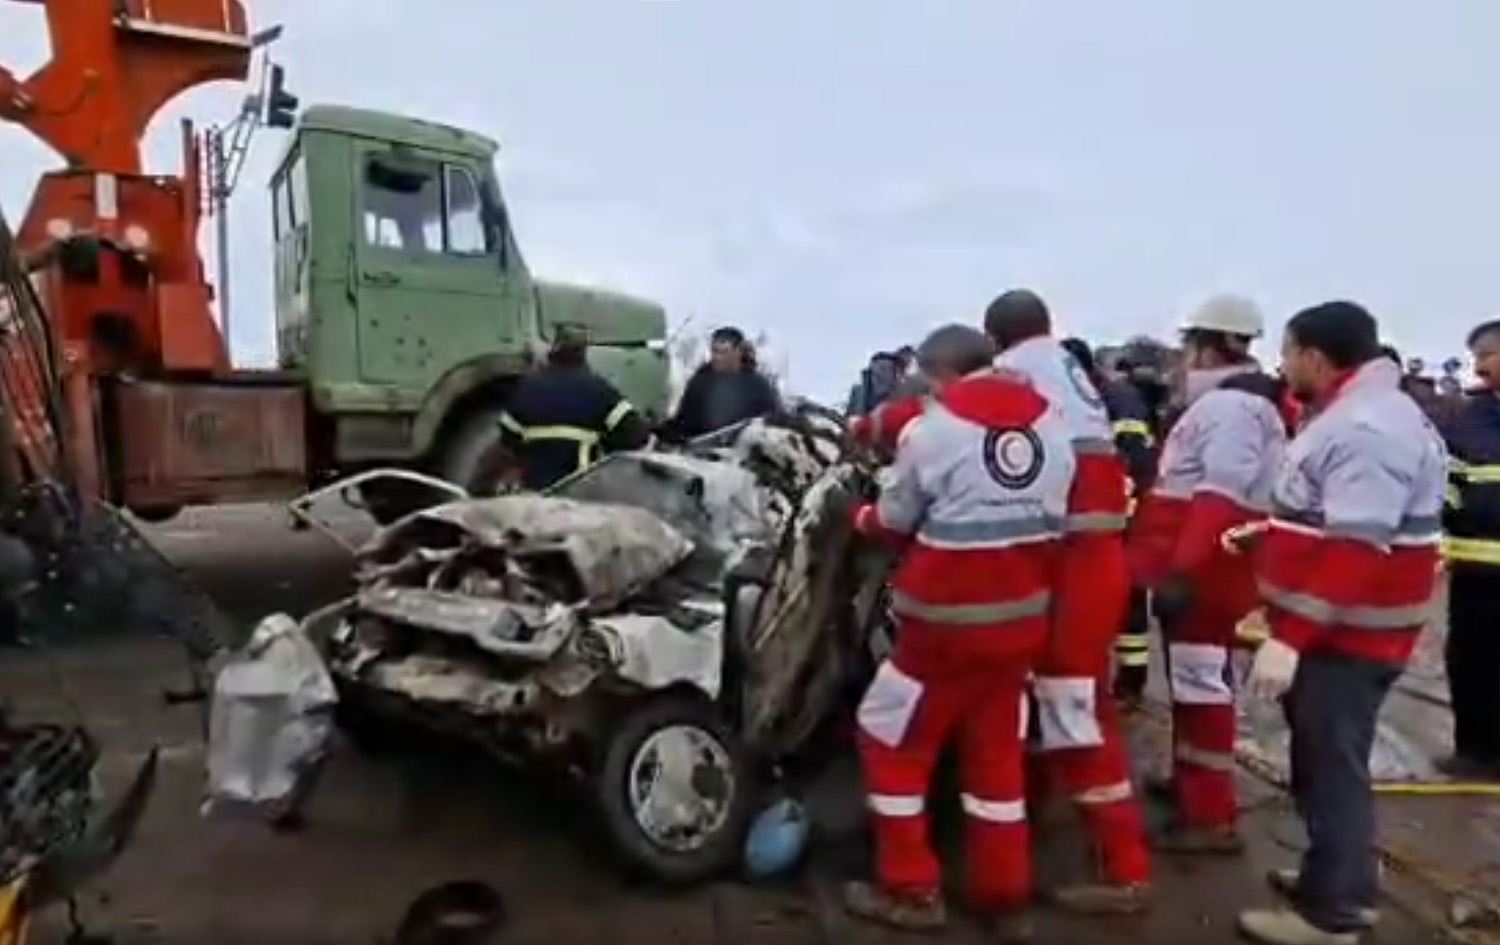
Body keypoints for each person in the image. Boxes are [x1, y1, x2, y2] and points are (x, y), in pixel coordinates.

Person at [843, 325, 1073, 943]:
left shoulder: (934, 431)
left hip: (940, 632)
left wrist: (857, 515)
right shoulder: (1054, 425)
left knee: (890, 740)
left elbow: (893, 523)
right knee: (995, 759)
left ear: (940, 373)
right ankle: (1004, 896)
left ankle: (910, 888)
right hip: (1021, 623)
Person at [1238, 302, 1445, 945]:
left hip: (1348, 635)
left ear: (1316, 359)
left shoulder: (1365, 428)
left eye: (1288, 351)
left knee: (1332, 767)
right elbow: (1333, 516)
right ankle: (1333, 877)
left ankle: (1336, 915)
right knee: (1320, 759)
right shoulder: (1355, 415)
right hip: (1340, 627)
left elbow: (1358, 545)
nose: (1281, 364)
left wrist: (1291, 638)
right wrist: (1273, 535)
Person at [985, 291, 1152, 914]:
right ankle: (1059, 813)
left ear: (994, 336)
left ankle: (1124, 869)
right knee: (1080, 703)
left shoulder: (1016, 376)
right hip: (1095, 554)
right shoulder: (1067, 369)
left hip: (1071, 561)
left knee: (1074, 710)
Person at [1128, 294, 1285, 854]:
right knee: (1193, 682)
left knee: (1200, 685)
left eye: (1189, 344)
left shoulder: (1231, 410)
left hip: (1206, 568)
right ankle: (1191, 782)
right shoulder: (1234, 404)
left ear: (1210, 345)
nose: (1181, 356)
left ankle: (1209, 814)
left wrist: (1184, 572)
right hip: (1207, 561)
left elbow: (1219, 496)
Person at [1061, 337, 1158, 707]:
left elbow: (1133, 458)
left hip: (1128, 509)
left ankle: (1132, 684)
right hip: (1111, 509)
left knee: (1130, 598)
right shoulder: (1093, 398)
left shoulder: (1119, 400)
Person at [1438, 319, 1500, 780]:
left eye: (1486, 355)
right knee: (1472, 660)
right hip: (1476, 566)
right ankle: (1476, 751)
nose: (1479, 367)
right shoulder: (1466, 419)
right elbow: (1448, 487)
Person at [498, 326, 649, 491]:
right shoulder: (599, 390)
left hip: (534, 493)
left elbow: (507, 437)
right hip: (578, 493)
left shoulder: (528, 388)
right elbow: (637, 435)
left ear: (554, 349)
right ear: (584, 352)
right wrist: (604, 442)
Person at [659, 326, 780, 441]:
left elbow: (769, 426)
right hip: (697, 450)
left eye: (724, 352)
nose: (717, 357)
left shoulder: (758, 386)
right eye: (714, 351)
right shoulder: (701, 381)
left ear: (738, 352)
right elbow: (683, 421)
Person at [847, 351, 905, 417]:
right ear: (873, 368)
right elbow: (849, 418)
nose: (887, 374)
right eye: (883, 368)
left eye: (891, 370)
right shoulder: (858, 392)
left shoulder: (900, 394)